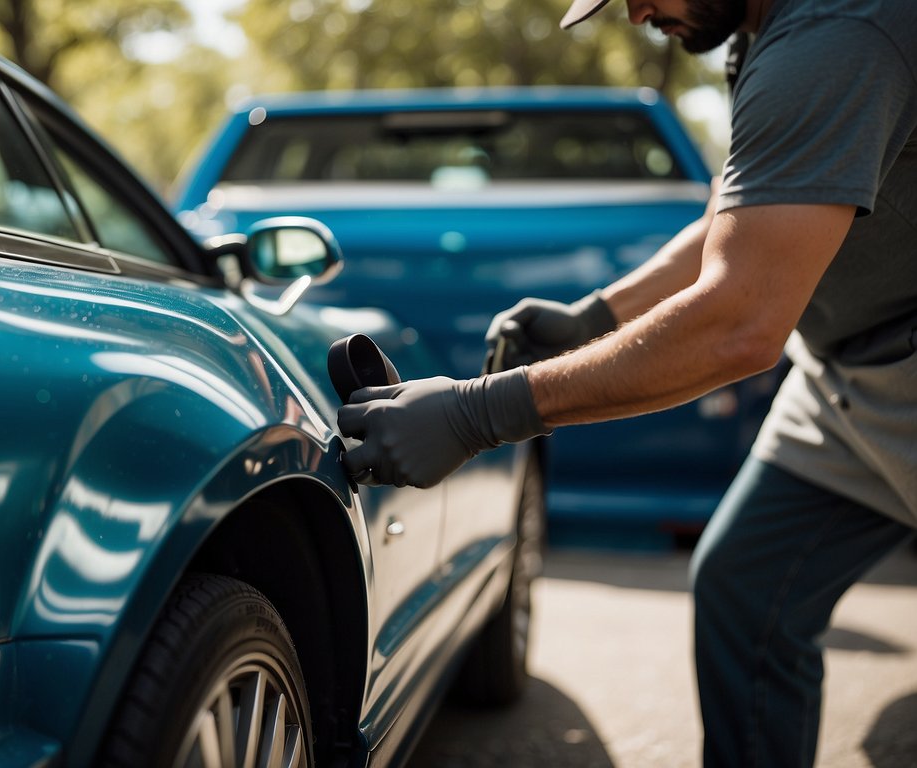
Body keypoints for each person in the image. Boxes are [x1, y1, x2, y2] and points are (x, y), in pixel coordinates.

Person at [335, 0, 916, 764]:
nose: (637, 11)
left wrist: (479, 415)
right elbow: (742, 214)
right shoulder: (757, 34)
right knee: (751, 587)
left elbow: (740, 327)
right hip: (843, 379)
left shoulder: (836, 37)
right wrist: (595, 314)